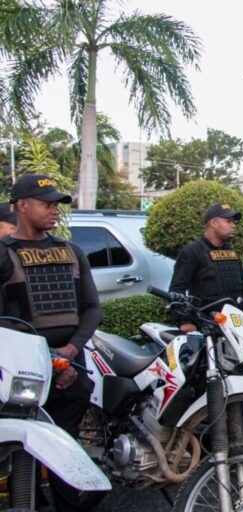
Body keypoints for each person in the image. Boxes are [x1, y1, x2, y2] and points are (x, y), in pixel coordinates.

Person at [0, 175, 102, 509]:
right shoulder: (4, 255)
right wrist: (45, 357)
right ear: (22, 205)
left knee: (65, 450)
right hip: (20, 375)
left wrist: (71, 351)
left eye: (56, 204)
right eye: (46, 203)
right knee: (21, 453)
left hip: (70, 368)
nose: (54, 210)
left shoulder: (71, 252)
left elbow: (91, 308)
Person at [169, 202, 243, 333]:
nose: (233, 225)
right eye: (228, 221)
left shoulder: (232, 252)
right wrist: (185, 321)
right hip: (205, 325)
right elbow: (177, 289)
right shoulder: (192, 251)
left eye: (234, 222)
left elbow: (242, 288)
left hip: (234, 325)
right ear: (214, 223)